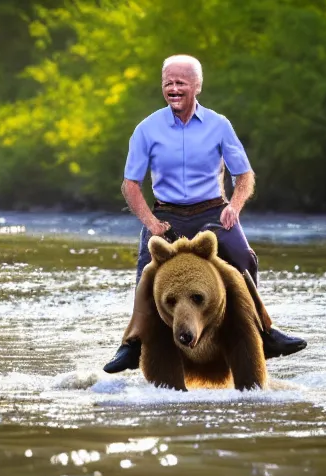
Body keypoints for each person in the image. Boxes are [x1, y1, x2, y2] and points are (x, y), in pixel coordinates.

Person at [103, 54, 306, 373]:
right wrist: (151, 223)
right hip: (166, 214)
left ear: (197, 86)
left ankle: (263, 333)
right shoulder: (146, 129)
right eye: (167, 82)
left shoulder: (219, 125)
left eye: (180, 82)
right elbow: (130, 185)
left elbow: (245, 175)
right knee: (146, 269)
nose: (172, 88)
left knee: (244, 259)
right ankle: (132, 345)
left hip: (213, 211)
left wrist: (234, 208)